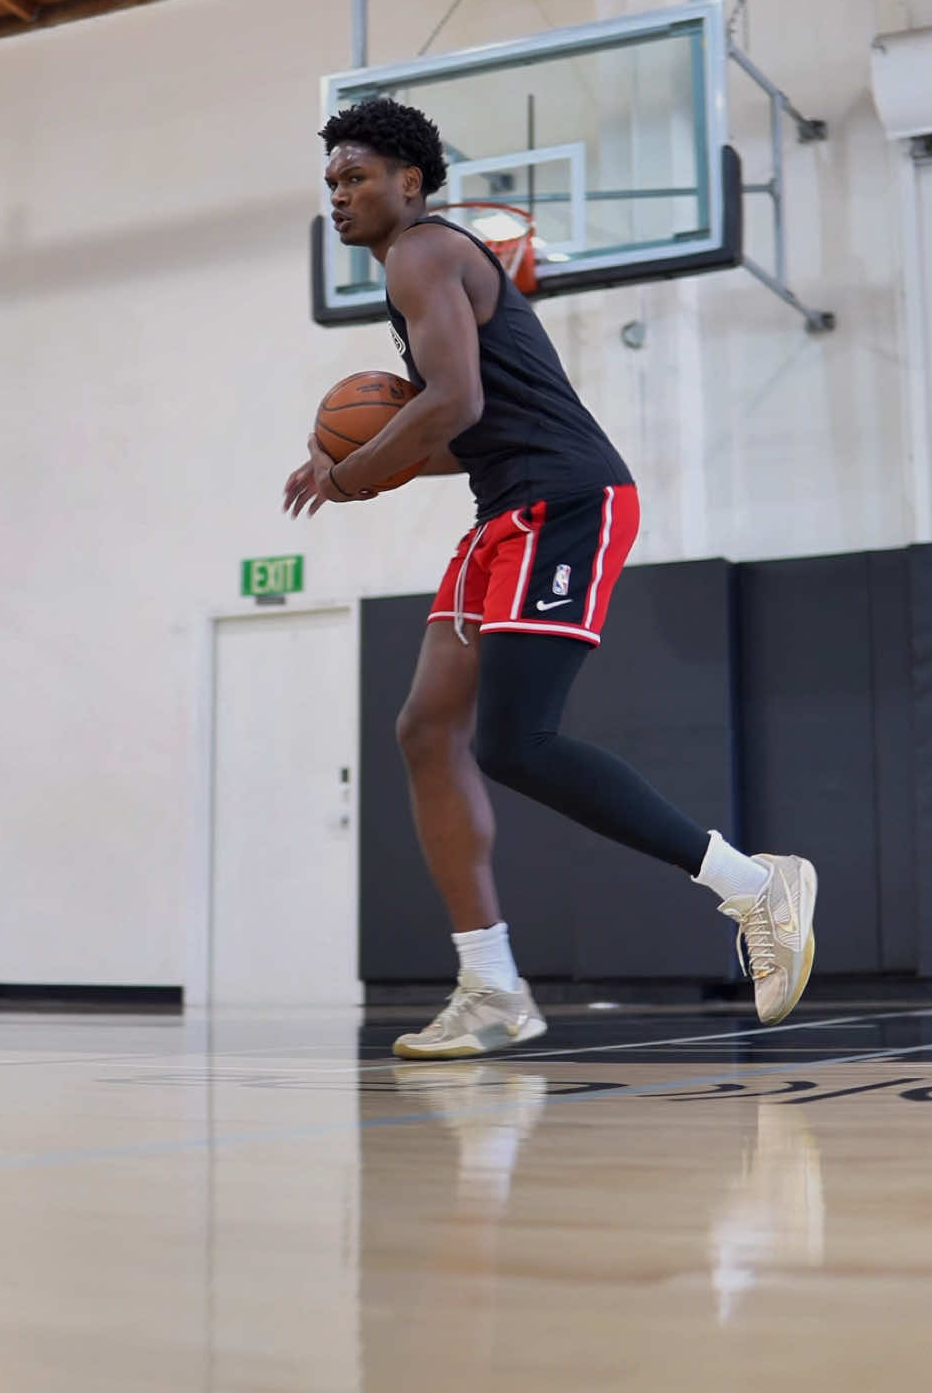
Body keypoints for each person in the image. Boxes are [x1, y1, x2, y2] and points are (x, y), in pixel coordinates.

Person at [284, 99, 817, 1060]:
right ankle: (490, 984)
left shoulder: (424, 252)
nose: (339, 193)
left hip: (564, 501)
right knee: (424, 728)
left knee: (517, 743)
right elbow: (466, 429)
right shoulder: (414, 275)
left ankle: (753, 885)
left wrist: (355, 472)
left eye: (355, 175)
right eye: (330, 181)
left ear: (410, 180)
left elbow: (455, 399)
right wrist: (347, 463)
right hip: (505, 506)